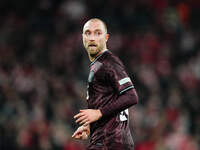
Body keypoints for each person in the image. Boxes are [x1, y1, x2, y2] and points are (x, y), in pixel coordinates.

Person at [72, 18, 138, 150]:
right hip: (111, 141)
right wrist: (91, 126)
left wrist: (99, 113)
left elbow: (131, 96)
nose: (92, 38)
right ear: (82, 37)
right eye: (88, 33)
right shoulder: (98, 65)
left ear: (106, 37)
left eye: (97, 33)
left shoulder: (108, 62)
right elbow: (110, 100)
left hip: (108, 143)